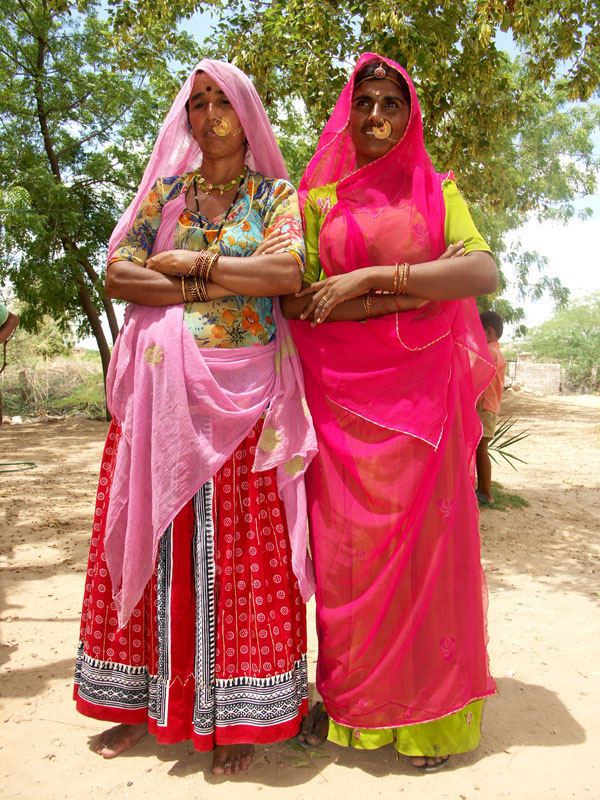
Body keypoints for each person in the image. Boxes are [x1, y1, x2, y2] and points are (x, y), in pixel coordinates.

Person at [73, 59, 317, 776]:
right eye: (197, 103)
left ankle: (239, 718)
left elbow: (286, 275)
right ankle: (139, 707)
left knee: (234, 562)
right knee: (154, 547)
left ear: (247, 115)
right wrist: (192, 283)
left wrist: (189, 266)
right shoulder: (168, 194)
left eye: (223, 102)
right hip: (160, 404)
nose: (208, 115)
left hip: (242, 410)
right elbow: (119, 271)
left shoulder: (275, 196)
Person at [282, 53, 498, 771]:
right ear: (349, 111)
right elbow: (297, 298)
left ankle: (430, 717)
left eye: (391, 105)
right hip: (340, 402)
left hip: (421, 402)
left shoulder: (437, 192)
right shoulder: (318, 201)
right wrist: (405, 294)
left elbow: (479, 270)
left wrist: (374, 280)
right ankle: (352, 709)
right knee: (347, 561)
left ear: (410, 118)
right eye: (365, 103)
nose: (376, 116)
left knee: (425, 562)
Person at [476, 310, 506, 504]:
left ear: (489, 332)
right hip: (489, 406)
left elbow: (480, 379)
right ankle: (482, 490)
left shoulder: (491, 353)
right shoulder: (497, 353)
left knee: (481, 448)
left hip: (485, 406)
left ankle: (486, 493)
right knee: (480, 448)